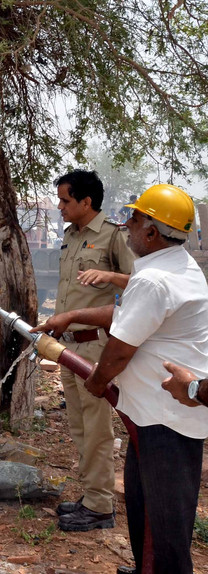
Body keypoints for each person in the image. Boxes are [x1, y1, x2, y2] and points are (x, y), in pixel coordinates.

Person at [35, 184, 208, 574]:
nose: (126, 225)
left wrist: (97, 381)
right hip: (155, 419)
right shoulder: (176, 266)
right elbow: (130, 315)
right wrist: (71, 317)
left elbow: (119, 348)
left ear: (151, 232)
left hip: (164, 422)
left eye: (134, 219)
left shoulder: (153, 279)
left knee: (164, 526)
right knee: (144, 507)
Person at [48, 170, 134, 532]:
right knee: (80, 427)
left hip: (96, 347)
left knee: (97, 429)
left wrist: (112, 278)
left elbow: (143, 284)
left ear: (86, 202)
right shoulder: (71, 237)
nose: (60, 206)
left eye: (66, 200)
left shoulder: (114, 237)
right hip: (69, 348)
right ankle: (90, 497)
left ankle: (100, 507)